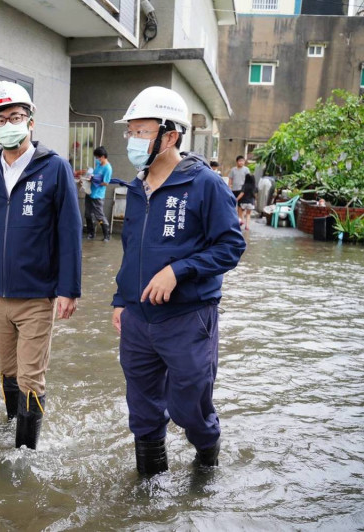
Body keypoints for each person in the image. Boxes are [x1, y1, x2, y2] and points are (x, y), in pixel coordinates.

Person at [111, 86, 245, 474]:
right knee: (142, 408)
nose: (133, 140)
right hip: (138, 318)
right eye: (130, 132)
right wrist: (121, 299)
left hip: (187, 318)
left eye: (141, 131)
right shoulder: (137, 186)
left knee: (190, 406)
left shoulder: (205, 184)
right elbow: (131, 248)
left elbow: (231, 246)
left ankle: (207, 457)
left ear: (170, 136)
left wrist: (178, 270)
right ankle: (149, 494)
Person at [0, 81, 82, 450]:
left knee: (31, 377)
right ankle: (13, 428)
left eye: (15, 116)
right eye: (0, 119)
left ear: (30, 122)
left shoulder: (55, 168)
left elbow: (70, 231)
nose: (8, 123)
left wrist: (68, 289)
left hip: (36, 295)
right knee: (9, 371)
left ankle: (25, 454)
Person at [85, 146, 113, 241]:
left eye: (98, 157)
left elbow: (106, 182)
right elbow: (91, 172)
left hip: (98, 195)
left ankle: (106, 235)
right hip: (90, 192)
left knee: (99, 216)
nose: (97, 159)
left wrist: (95, 180)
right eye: (96, 157)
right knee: (88, 214)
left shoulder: (107, 168)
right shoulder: (98, 163)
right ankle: (90, 233)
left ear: (103, 156)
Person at [228, 155, 250, 224]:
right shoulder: (233, 169)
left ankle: (240, 220)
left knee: (240, 205)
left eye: (243, 161)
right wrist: (229, 187)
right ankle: (233, 218)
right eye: (240, 161)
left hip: (242, 190)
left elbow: (248, 179)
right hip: (234, 189)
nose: (241, 162)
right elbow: (230, 179)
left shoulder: (246, 169)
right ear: (237, 162)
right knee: (233, 204)